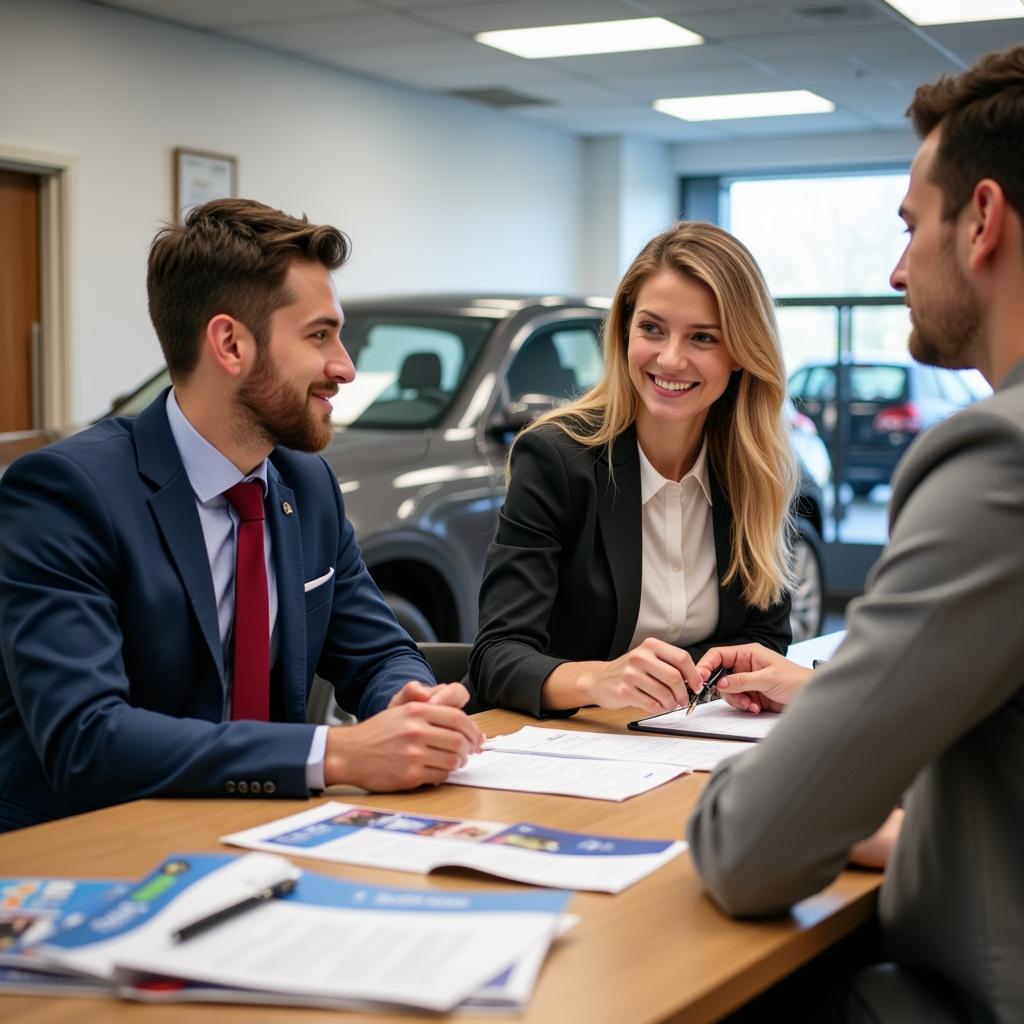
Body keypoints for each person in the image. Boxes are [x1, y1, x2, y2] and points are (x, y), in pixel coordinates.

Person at [687, 45, 1024, 1024]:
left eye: (911, 225)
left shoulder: (996, 459)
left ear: (983, 221)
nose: (893, 267)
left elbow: (752, 850)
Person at [0, 199, 483, 832]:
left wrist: (410, 702)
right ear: (230, 343)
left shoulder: (304, 483)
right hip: (93, 845)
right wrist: (335, 751)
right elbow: (87, 739)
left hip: (266, 833)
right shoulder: (66, 494)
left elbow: (376, 649)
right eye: (319, 335)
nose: (345, 366)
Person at [470, 222, 798, 718]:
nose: (670, 358)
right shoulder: (555, 458)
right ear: (624, 330)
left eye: (703, 337)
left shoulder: (754, 469)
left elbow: (764, 637)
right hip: (576, 749)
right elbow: (497, 658)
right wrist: (597, 679)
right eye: (652, 328)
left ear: (741, 353)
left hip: (700, 740)